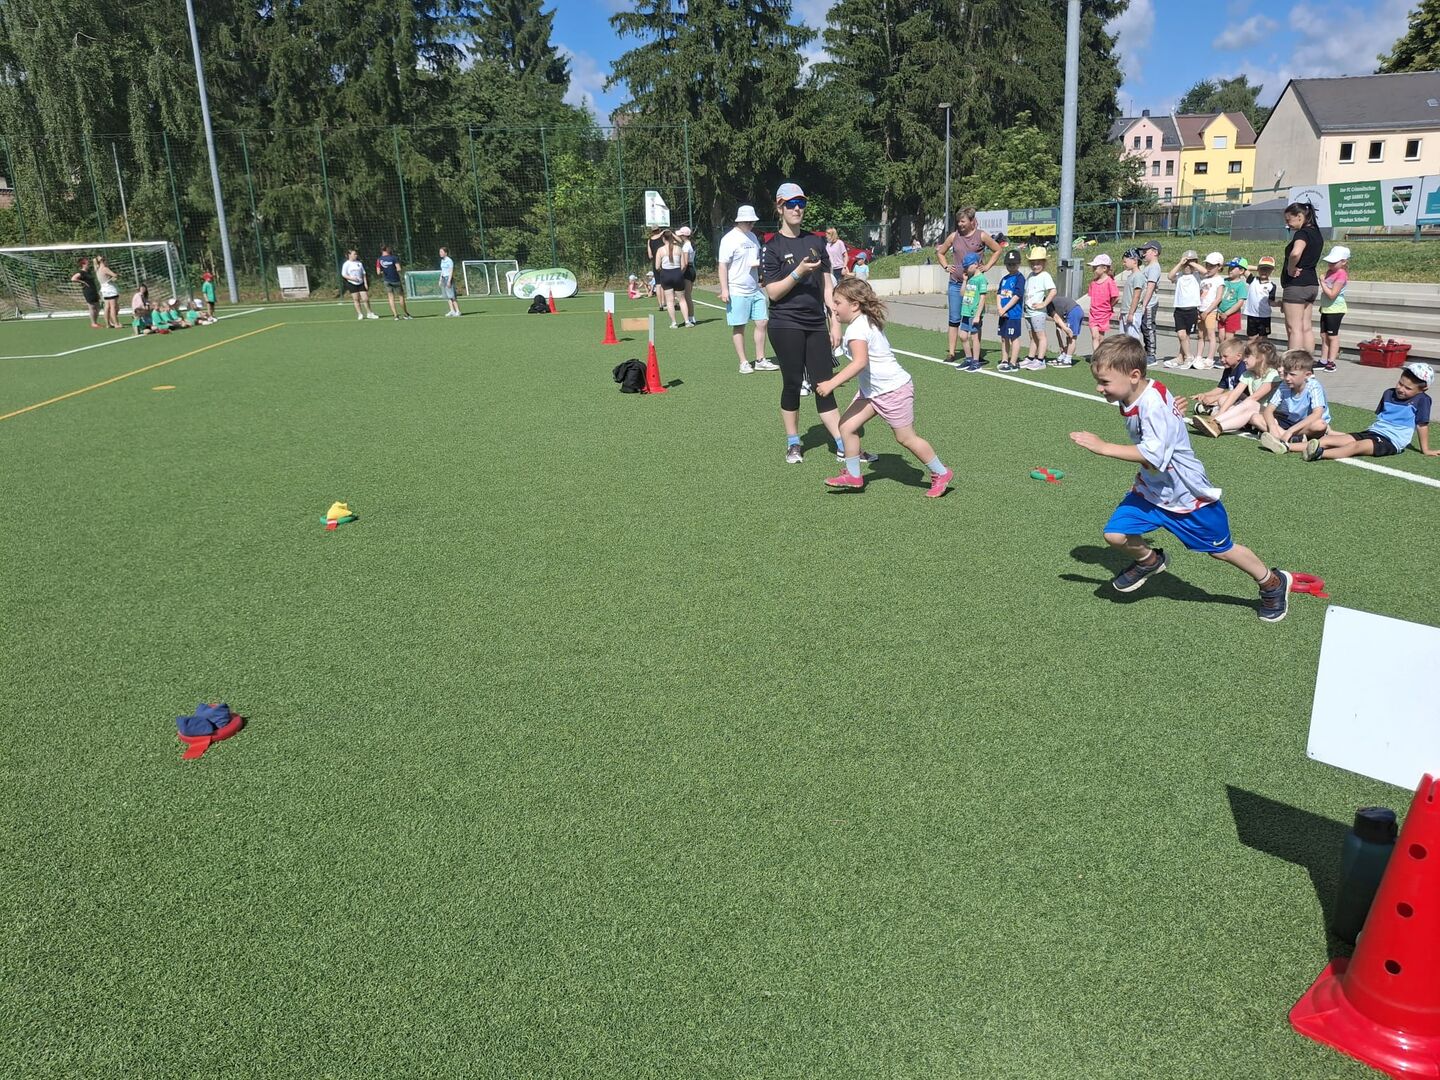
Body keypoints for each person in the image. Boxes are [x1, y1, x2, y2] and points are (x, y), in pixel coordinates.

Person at [1069, 335, 1293, 622]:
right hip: (1152, 490)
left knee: (1222, 551)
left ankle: (1272, 582)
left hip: (1187, 495)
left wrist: (1103, 447)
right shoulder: (1141, 391)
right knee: (1115, 534)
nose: (1099, 388)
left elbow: (1153, 456)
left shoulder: (1151, 406)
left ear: (1134, 376)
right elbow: (1162, 411)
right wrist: (1173, 411)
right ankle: (1150, 560)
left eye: (1104, 382)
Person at [816, 277, 953, 497]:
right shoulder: (863, 321)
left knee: (905, 438)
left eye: (838, 302)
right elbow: (866, 362)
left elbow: (860, 362)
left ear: (854, 305)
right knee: (847, 426)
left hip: (893, 391)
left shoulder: (857, 329)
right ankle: (853, 475)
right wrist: (839, 378)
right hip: (873, 392)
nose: (833, 307)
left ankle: (942, 472)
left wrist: (832, 383)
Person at [761, 182, 847, 464]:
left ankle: (841, 441)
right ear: (780, 207)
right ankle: (793, 442)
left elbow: (827, 286)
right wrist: (798, 272)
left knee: (825, 382)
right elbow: (773, 293)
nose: (797, 209)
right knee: (793, 382)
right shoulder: (772, 247)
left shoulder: (816, 242)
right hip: (785, 323)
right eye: (791, 204)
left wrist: (835, 322)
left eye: (801, 204)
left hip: (816, 323)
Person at [1304, 361, 1436, 461]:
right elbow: (1382, 418)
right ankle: (1293, 445)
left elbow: (1422, 425)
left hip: (1391, 441)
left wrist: (1425, 449)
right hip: (1372, 432)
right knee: (1330, 439)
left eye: (1408, 388)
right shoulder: (1388, 393)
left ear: (1423, 389)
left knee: (1356, 446)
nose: (1401, 389)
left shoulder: (1422, 400)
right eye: (1400, 383)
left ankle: (1319, 454)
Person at [937, 207, 1003, 363]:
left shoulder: (981, 235)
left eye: (963, 221)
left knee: (975, 319)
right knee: (954, 319)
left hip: (974, 287)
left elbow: (998, 249)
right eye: (958, 221)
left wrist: (987, 266)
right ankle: (952, 353)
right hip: (956, 284)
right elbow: (940, 252)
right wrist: (946, 266)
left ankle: (976, 354)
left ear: (972, 221)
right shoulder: (954, 236)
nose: (960, 224)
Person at [718, 205, 778, 375]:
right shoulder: (729, 239)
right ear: (740, 221)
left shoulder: (752, 236)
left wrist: (761, 276)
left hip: (754, 288)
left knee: (762, 322)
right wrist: (724, 289)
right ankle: (743, 362)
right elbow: (722, 265)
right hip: (737, 289)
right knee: (739, 326)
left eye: (753, 222)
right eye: (748, 222)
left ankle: (760, 359)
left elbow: (756, 259)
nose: (752, 224)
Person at [1193, 337, 1280, 438]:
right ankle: (1219, 423)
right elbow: (1235, 393)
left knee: (1249, 403)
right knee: (1224, 400)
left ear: (1260, 358)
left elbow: (1255, 397)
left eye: (1247, 356)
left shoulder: (1272, 374)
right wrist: (1221, 412)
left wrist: (1219, 417)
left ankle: (1217, 424)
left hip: (1271, 413)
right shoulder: (1248, 374)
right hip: (1255, 410)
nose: (1244, 359)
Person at [1257, 351, 1331, 454]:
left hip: (1306, 424)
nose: (1287, 378)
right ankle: (1288, 439)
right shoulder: (1284, 385)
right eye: (1286, 373)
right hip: (1290, 421)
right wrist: (1272, 427)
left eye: (1292, 374)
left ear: (1307, 375)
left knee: (1320, 425)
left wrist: (1290, 431)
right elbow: (1268, 410)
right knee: (1255, 417)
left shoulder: (1313, 386)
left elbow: (1317, 414)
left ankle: (1283, 438)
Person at [1282, 201, 1323, 356]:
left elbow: (1295, 253)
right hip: (1311, 283)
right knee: (1306, 327)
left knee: (1294, 328)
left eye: (1289, 220)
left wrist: (1290, 267)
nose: (1287, 224)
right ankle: (1307, 361)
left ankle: (1293, 362)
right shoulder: (1316, 232)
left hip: (1297, 284)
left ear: (1299, 216)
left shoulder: (1302, 233)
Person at [1175, 337, 1247, 418]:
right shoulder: (1228, 369)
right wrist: (1205, 395)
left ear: (1238, 356)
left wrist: (1214, 398)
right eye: (1220, 357)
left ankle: (1220, 414)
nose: (1222, 360)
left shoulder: (1242, 369)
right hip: (1235, 401)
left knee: (1221, 400)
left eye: (1225, 356)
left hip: (1244, 401)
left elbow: (1237, 392)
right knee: (1206, 404)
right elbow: (1219, 388)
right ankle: (1216, 411)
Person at [1164, 250, 1201, 368]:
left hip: (1192, 309)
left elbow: (1205, 271)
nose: (1187, 265)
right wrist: (1181, 263)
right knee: (1181, 335)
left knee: (1185, 335)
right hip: (1179, 309)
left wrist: (1192, 263)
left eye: (1191, 262)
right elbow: (1169, 276)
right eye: (1186, 262)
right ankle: (1188, 356)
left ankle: (1182, 357)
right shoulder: (1179, 276)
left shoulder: (1197, 275)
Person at [1021, 246, 1055, 370]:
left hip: (1038, 313)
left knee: (1041, 336)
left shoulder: (1045, 275)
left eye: (1038, 263)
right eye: (1033, 263)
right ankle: (1031, 357)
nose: (1035, 266)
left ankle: (1040, 360)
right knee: (1032, 336)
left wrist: (1044, 304)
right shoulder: (1030, 275)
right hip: (1028, 311)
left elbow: (1053, 291)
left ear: (1044, 263)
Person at [955, 253, 989, 371]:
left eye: (967, 267)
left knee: (975, 337)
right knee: (963, 336)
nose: (965, 269)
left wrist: (978, 315)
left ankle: (975, 361)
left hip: (974, 313)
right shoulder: (970, 278)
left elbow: (983, 298)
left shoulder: (981, 279)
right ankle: (968, 358)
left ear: (975, 264)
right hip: (965, 311)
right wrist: (965, 281)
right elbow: (962, 293)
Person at [1318, 245, 1349, 372]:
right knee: (1324, 335)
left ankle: (1331, 362)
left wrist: (1322, 282)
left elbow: (1332, 294)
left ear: (1343, 262)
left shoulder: (1341, 274)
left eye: (1334, 262)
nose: (1330, 264)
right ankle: (1323, 360)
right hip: (1326, 308)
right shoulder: (1330, 272)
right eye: (1329, 262)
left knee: (1332, 336)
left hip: (1335, 309)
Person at [1132, 240, 1163, 365]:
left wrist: (1144, 304)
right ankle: (1146, 352)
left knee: (1148, 328)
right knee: (1144, 327)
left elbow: (1150, 287)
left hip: (1149, 304)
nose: (1143, 253)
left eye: (1146, 251)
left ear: (1155, 252)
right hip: (1144, 303)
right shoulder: (1148, 267)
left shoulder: (1154, 267)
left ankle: (1151, 354)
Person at [1193, 252, 1225, 369]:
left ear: (1219, 267)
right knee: (1200, 335)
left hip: (1211, 311)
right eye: (1207, 265)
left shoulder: (1219, 280)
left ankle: (1210, 358)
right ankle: (1198, 356)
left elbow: (1218, 298)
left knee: (1211, 335)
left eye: (1212, 266)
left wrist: (1207, 311)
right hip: (1200, 309)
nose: (1209, 268)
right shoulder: (1204, 279)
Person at [995, 250, 1026, 372]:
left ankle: (1013, 362)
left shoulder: (1019, 278)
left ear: (1018, 264)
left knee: (1014, 337)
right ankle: (1004, 360)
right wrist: (999, 308)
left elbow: (1017, 296)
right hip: (1003, 314)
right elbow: (999, 294)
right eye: (1009, 264)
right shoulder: (1004, 279)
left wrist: (1005, 308)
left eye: (1014, 264)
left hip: (1013, 314)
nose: (1011, 266)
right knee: (1004, 337)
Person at [654, 230, 690, 329]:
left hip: (666, 275)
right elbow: (683, 265)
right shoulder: (679, 248)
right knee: (682, 300)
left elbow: (657, 266)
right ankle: (687, 321)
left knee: (669, 301)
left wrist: (663, 272)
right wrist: (679, 273)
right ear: (672, 238)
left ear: (663, 239)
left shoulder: (660, 250)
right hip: (677, 274)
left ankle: (674, 323)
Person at [1086, 253, 1119, 344]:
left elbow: (1116, 297)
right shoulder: (1093, 283)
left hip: (1103, 314)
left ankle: (1101, 351)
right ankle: (1096, 353)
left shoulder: (1109, 282)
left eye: (1095, 267)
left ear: (1104, 268)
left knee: (1100, 337)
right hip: (1093, 313)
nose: (1093, 270)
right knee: (1095, 336)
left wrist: (1109, 306)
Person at [1217, 258, 1249, 351]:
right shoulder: (1224, 281)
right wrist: (1218, 310)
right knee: (1221, 336)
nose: (1230, 270)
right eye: (1229, 268)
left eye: (1233, 268)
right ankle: (1222, 355)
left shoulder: (1241, 285)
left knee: (1229, 338)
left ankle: (1228, 354)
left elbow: (1240, 302)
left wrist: (1227, 313)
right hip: (1221, 312)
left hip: (1232, 314)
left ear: (1241, 271)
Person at [1244, 255, 1277, 340]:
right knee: (1251, 338)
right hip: (1252, 315)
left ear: (1272, 271)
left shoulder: (1272, 286)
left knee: (1263, 338)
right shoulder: (1252, 280)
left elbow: (1271, 301)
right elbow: (1244, 267)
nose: (1264, 271)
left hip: (1264, 316)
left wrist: (1278, 304)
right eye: (1262, 269)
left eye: (1268, 269)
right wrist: (1258, 268)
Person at [376, 246, 413, 320]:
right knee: (401, 296)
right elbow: (399, 269)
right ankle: (406, 314)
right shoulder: (393, 258)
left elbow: (378, 272)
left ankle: (396, 315)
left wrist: (385, 271)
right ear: (387, 250)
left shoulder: (379, 260)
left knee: (391, 297)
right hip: (396, 280)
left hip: (387, 280)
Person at [1046, 294, 1084, 368]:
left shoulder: (1048, 305)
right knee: (1069, 336)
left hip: (1073, 311)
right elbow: (1058, 327)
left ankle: (1068, 360)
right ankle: (1064, 355)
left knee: (1071, 337)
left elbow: (1057, 319)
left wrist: (1066, 330)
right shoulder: (1052, 304)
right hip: (1074, 311)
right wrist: (1061, 346)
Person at [341, 250, 378, 320]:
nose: (356, 255)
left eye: (356, 254)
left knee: (365, 299)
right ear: (349, 255)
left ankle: (369, 313)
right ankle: (360, 314)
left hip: (361, 283)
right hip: (352, 283)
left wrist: (365, 283)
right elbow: (344, 274)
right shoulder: (346, 264)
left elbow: (363, 273)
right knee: (356, 299)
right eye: (354, 254)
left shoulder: (359, 263)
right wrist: (352, 279)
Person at [1117, 248, 1143, 344]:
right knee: (1123, 340)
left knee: (1132, 340)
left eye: (1125, 261)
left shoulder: (1138, 276)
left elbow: (1136, 296)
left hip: (1132, 312)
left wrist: (1131, 313)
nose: (1123, 264)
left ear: (1135, 261)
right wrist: (1122, 311)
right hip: (1126, 311)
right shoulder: (1131, 276)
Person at [71, 257, 101, 327]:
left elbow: (96, 269)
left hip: (93, 290)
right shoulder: (81, 272)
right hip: (88, 291)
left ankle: (95, 322)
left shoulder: (89, 271)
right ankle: (93, 323)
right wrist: (82, 282)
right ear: (83, 264)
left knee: (98, 307)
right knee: (92, 307)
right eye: (87, 263)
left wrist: (95, 261)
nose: (88, 264)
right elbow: (73, 278)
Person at [677, 226, 697, 326]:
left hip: (687, 270)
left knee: (687, 296)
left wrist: (680, 273)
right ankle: (691, 317)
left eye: (681, 235)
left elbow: (684, 263)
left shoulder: (686, 246)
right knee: (688, 295)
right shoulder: (690, 244)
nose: (679, 236)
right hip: (691, 269)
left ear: (684, 236)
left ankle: (691, 318)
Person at [96, 255, 121, 329]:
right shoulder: (105, 269)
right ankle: (116, 324)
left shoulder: (97, 269)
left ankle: (108, 324)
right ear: (103, 261)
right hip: (110, 289)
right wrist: (117, 275)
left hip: (104, 289)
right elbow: (115, 275)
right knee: (113, 307)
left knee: (106, 307)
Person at [646, 227, 667, 311]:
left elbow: (650, 256)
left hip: (655, 263)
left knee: (658, 284)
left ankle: (660, 304)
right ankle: (664, 302)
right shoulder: (662, 237)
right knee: (664, 284)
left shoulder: (649, 240)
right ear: (659, 230)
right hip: (663, 262)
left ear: (652, 231)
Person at [438, 247, 461, 317]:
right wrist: (440, 279)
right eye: (440, 252)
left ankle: (458, 311)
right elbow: (442, 271)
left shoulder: (449, 260)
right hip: (443, 278)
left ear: (446, 253)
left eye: (441, 252)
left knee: (452, 296)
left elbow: (451, 271)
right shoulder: (442, 261)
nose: (440, 253)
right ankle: (452, 311)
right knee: (447, 296)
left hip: (448, 278)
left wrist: (449, 281)